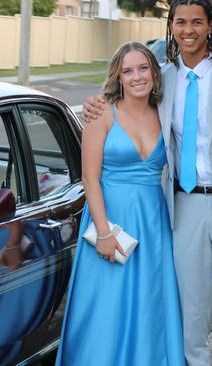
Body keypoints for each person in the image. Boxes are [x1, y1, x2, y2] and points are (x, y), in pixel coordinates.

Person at [82, 1, 212, 365]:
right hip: (183, 206)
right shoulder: (163, 78)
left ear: (210, 27)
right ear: (171, 26)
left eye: (197, 22)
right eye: (181, 22)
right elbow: (123, 99)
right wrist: (93, 103)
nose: (188, 30)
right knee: (191, 310)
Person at [55, 41, 184, 365]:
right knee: (106, 309)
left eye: (143, 68)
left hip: (152, 224)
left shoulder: (165, 113)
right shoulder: (101, 114)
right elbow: (90, 179)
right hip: (109, 220)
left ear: (154, 73)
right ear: (118, 77)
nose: (137, 76)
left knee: (150, 305)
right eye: (128, 70)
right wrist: (103, 233)